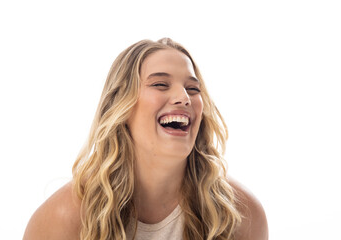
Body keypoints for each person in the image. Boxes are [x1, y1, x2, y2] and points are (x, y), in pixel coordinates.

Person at [23, 38, 268, 240]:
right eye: (160, 84)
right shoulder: (64, 217)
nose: (183, 97)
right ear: (122, 106)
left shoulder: (240, 214)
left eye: (192, 89)